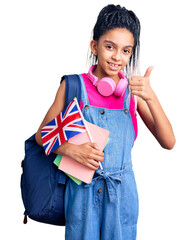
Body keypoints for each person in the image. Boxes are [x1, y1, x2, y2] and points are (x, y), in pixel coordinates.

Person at [35, 4, 175, 240]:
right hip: (81, 195)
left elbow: (169, 141)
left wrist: (151, 97)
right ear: (95, 46)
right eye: (110, 47)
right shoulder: (73, 86)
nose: (117, 57)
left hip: (122, 195)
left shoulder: (132, 94)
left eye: (126, 51)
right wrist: (70, 150)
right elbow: (42, 136)